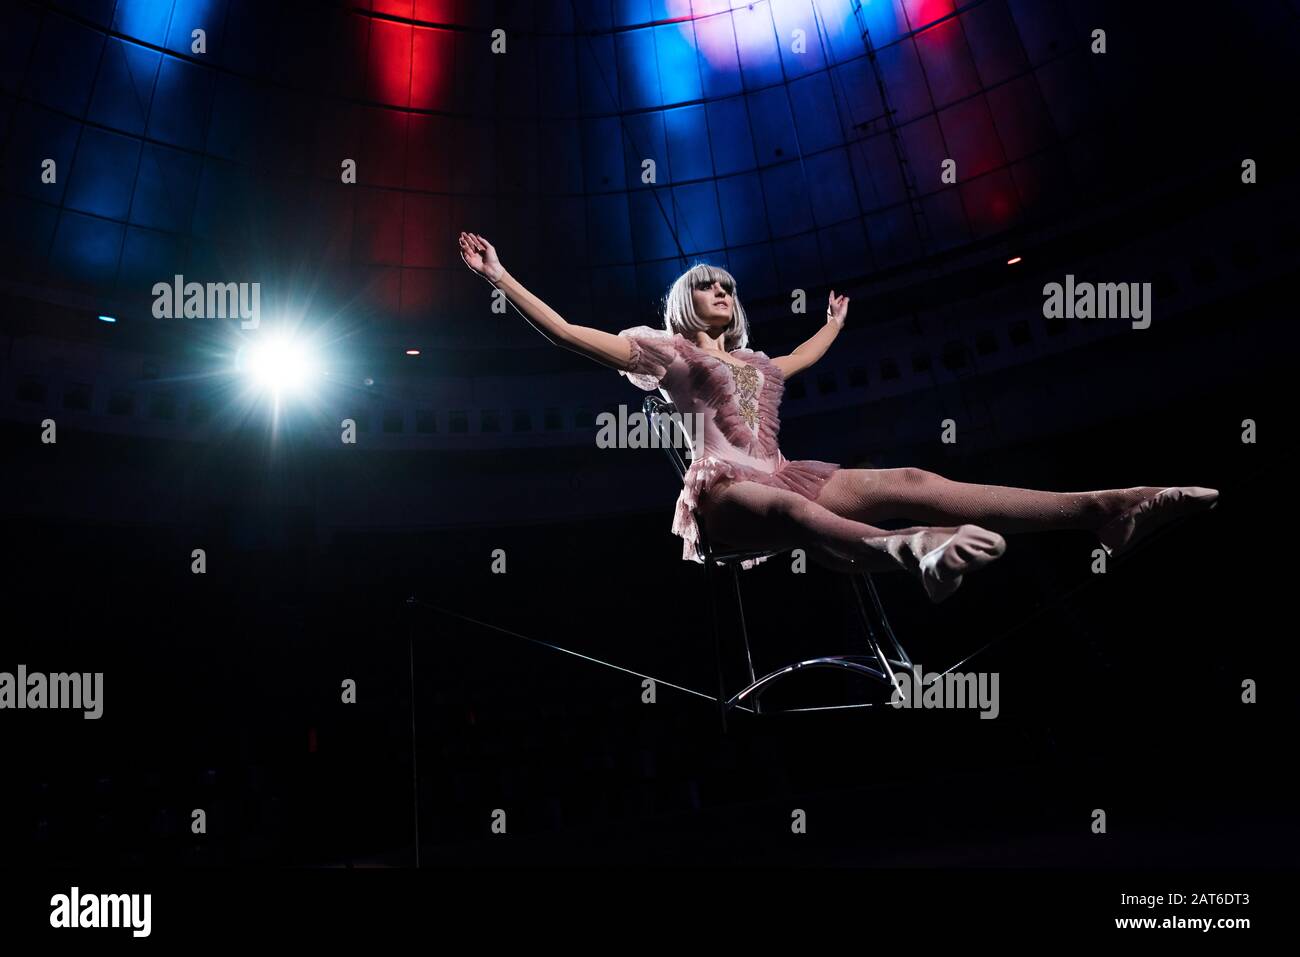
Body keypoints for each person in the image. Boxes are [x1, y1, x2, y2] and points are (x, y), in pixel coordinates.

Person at [458, 231, 1218, 603]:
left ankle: (1102, 508)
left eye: (728, 284)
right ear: (686, 302)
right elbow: (565, 333)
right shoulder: (658, 349)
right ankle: (915, 550)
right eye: (708, 285)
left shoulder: (758, 362)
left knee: (913, 474)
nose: (723, 288)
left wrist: (834, 324)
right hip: (726, 491)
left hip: (790, 473)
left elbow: (803, 356)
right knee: (786, 509)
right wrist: (500, 275)